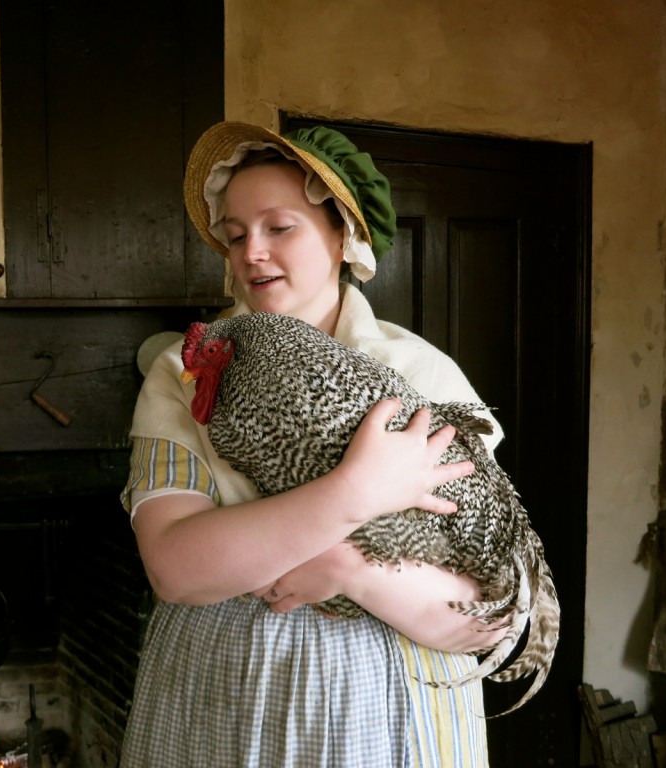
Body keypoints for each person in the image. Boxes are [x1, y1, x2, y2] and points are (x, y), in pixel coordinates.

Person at [119, 121, 509, 767]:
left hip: (391, 699)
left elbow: (487, 617)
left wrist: (347, 568)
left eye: (280, 227)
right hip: (224, 690)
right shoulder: (188, 370)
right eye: (236, 234)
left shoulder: (422, 377)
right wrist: (354, 493)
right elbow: (175, 567)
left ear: (341, 235)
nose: (251, 253)